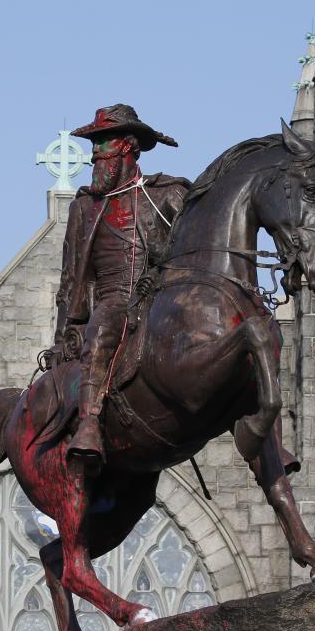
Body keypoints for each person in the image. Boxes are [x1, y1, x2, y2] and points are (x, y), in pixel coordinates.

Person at [50, 105, 191, 475]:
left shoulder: (168, 196)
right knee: (102, 329)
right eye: (94, 144)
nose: (95, 152)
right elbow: (70, 280)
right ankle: (90, 425)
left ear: (129, 146)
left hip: (161, 300)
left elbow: (196, 249)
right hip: (112, 302)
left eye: (103, 142)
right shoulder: (84, 207)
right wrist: (63, 335)